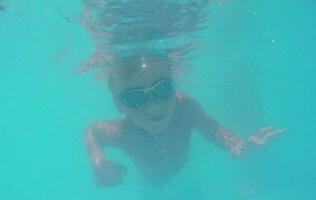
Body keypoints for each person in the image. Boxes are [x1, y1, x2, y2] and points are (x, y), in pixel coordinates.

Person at [84, 51, 286, 187]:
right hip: (152, 181)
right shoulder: (121, 133)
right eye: (135, 98)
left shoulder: (186, 108)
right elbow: (92, 130)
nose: (154, 105)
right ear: (119, 106)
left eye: (163, 88)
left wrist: (237, 143)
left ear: (174, 86)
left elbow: (213, 129)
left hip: (187, 174)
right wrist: (97, 159)